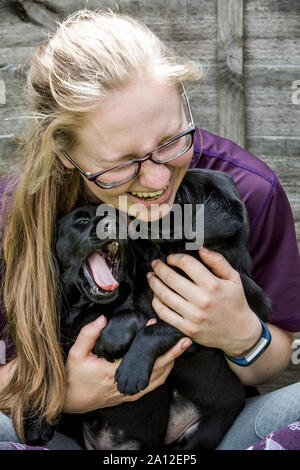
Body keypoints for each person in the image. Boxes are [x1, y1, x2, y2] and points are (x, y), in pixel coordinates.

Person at [0, 9, 299, 451]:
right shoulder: (14, 212)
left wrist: (240, 332)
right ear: (66, 155)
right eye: (121, 164)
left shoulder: (242, 191)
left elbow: (273, 358)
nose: (158, 181)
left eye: (170, 141)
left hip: (208, 437)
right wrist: (58, 391)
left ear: (183, 100)